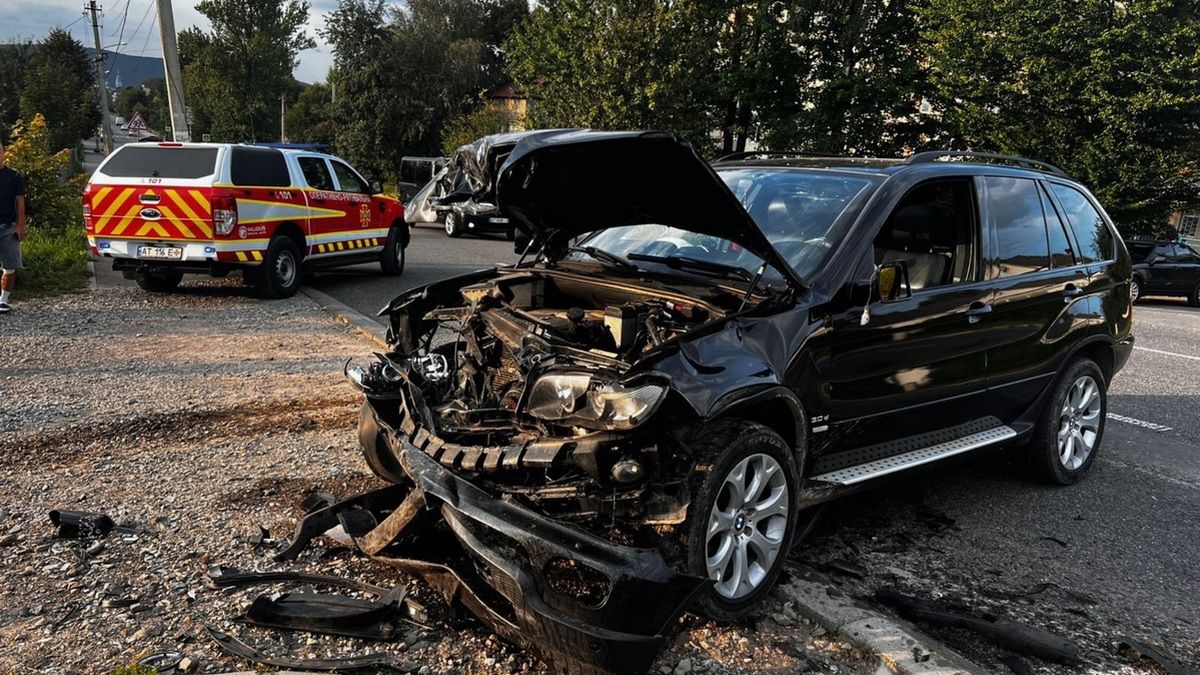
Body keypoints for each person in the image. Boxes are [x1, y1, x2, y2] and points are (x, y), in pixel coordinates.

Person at [0, 140, 27, 314]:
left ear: (3, 153)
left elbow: (20, 201)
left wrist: (20, 225)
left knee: (9, 265)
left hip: (8, 227)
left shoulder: (14, 175)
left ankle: (3, 300)